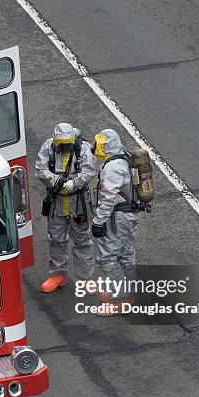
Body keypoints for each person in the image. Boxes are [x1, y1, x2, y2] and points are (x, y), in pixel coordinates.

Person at [36, 123, 97, 293]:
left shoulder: (83, 148)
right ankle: (57, 275)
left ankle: (86, 277)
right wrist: (56, 181)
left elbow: (89, 171)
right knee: (56, 239)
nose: (64, 146)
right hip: (56, 200)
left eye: (67, 143)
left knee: (82, 240)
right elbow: (40, 169)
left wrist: (74, 183)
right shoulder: (48, 147)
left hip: (78, 201)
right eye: (60, 144)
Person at [91, 129, 139, 315]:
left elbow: (109, 197)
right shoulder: (124, 157)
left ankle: (120, 300)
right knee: (126, 254)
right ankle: (128, 294)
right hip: (129, 215)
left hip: (117, 217)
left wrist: (98, 221)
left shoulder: (113, 167)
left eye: (100, 143)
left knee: (108, 258)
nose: (97, 147)